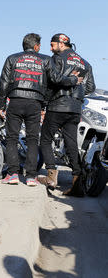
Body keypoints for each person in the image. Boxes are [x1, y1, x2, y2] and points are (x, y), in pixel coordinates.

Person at [0, 33, 82, 186]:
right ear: (36, 46)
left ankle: (12, 174)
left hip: (15, 101)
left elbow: (3, 83)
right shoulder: (45, 59)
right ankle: (31, 176)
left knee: (11, 138)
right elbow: (56, 80)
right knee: (32, 139)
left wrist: (1, 106)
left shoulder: (12, 58)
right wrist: (74, 80)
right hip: (35, 104)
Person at [39, 33, 95, 196]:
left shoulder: (57, 58)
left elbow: (52, 81)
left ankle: (51, 175)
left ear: (61, 44)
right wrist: (77, 90)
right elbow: (90, 87)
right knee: (71, 144)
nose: (50, 48)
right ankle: (77, 183)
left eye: (52, 45)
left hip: (58, 105)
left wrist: (45, 102)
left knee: (45, 139)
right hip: (75, 108)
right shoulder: (85, 63)